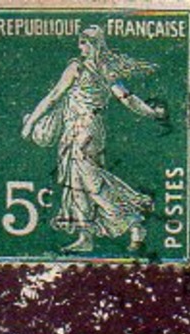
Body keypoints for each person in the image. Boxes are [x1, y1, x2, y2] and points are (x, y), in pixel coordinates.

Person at [21, 27, 167, 253]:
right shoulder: (106, 69)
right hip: (88, 129)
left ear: (94, 44)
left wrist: (31, 123)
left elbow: (53, 97)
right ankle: (85, 236)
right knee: (77, 181)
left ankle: (133, 220)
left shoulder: (77, 68)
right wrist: (152, 113)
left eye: (84, 42)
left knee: (88, 180)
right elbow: (127, 99)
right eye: (80, 43)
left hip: (82, 129)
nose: (81, 47)